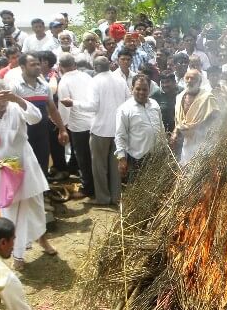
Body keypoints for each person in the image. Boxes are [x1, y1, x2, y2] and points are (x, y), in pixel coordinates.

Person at [0, 80, 60, 270]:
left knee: (35, 205)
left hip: (24, 164)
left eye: (3, 95)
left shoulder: (16, 106)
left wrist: (16, 98)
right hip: (1, 169)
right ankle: (18, 255)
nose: (1, 100)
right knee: (11, 212)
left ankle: (42, 239)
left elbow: (36, 117)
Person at [65, 56, 131, 205]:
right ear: (109, 65)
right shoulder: (120, 79)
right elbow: (128, 101)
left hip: (100, 130)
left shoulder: (94, 81)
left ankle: (103, 198)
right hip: (118, 130)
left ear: (95, 68)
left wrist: (73, 103)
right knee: (115, 167)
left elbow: (93, 106)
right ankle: (116, 197)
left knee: (99, 167)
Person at [10, 53, 69, 178]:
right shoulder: (14, 87)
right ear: (22, 67)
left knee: (42, 163)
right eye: (33, 64)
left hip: (42, 133)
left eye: (38, 64)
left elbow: (53, 110)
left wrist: (62, 130)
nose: (37, 67)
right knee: (25, 167)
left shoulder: (45, 86)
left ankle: (42, 195)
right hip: (22, 134)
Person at [57, 54, 95, 199]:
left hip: (78, 126)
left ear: (60, 67)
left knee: (83, 159)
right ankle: (97, 185)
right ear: (75, 64)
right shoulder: (86, 77)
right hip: (94, 122)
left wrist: (62, 127)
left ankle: (88, 188)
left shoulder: (64, 82)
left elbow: (64, 109)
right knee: (94, 158)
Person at [115, 75, 164, 182]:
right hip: (137, 159)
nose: (141, 92)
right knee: (137, 191)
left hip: (156, 157)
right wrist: (122, 159)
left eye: (145, 89)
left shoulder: (154, 104)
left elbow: (161, 127)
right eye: (138, 89)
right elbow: (120, 136)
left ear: (149, 90)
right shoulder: (124, 109)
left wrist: (164, 148)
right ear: (131, 89)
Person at [172, 69, 219, 165]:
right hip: (186, 143)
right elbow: (178, 120)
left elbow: (216, 117)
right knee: (186, 171)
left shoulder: (207, 97)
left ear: (199, 82)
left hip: (203, 143)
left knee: (202, 171)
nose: (189, 81)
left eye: (193, 78)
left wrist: (197, 127)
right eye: (187, 78)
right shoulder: (180, 97)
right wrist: (175, 133)